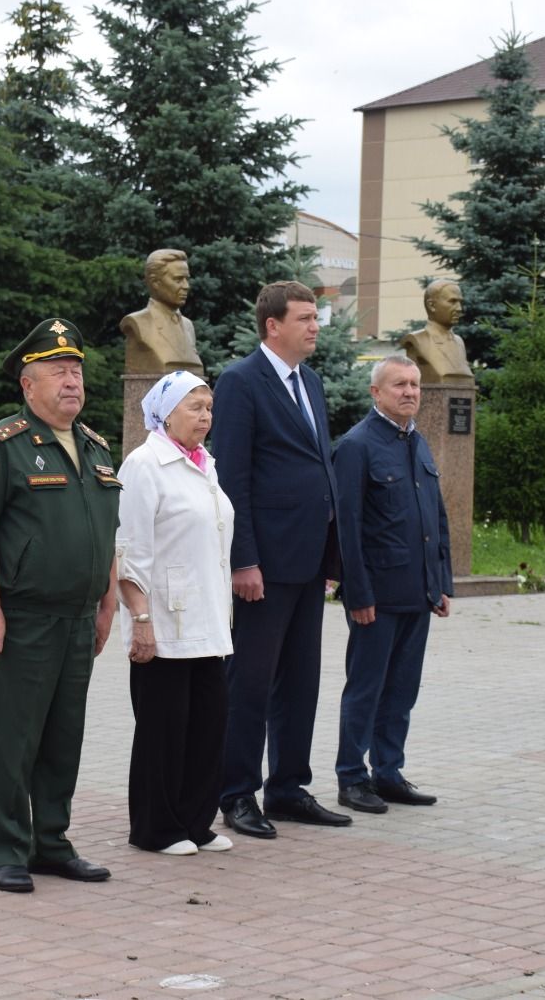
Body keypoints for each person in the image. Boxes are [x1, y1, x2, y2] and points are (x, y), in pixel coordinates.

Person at [0, 318, 122, 894]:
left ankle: (51, 841)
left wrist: (107, 603)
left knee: (62, 737)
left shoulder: (97, 447)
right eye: (58, 372)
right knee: (12, 738)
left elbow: (107, 530)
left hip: (79, 619)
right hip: (23, 619)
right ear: (28, 385)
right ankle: (6, 848)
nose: (72, 382)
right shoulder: (2, 444)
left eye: (76, 372)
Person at [210, 281, 350, 838]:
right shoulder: (242, 382)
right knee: (251, 681)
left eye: (317, 318)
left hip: (309, 558)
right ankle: (236, 792)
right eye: (306, 318)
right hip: (264, 563)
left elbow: (319, 468)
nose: (316, 327)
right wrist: (243, 559)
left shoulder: (309, 381)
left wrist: (334, 552)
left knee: (301, 680)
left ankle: (289, 787)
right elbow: (233, 477)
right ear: (273, 325)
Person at [117, 371, 235, 856]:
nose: (205, 416)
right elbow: (127, 551)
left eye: (208, 407)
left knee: (207, 726)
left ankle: (195, 821)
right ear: (165, 413)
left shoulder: (205, 464)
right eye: (194, 407)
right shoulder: (144, 465)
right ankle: (156, 828)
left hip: (208, 621)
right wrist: (141, 620)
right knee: (163, 730)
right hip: (164, 622)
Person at [332, 356, 452, 813]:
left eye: (415, 385)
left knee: (403, 688)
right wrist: (358, 593)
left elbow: (435, 518)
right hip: (376, 596)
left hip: (416, 590)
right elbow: (347, 527)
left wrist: (440, 582)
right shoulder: (357, 445)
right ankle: (351, 776)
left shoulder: (417, 442)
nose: (409, 392)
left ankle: (388, 771)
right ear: (375, 393)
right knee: (366, 687)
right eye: (399, 384)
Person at [120, 249, 205, 376]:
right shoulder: (137, 323)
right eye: (178, 280)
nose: (186, 286)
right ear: (155, 283)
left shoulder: (188, 325)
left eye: (186, 279)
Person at [400, 279, 474, 385]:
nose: (459, 308)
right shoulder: (417, 340)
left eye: (460, 302)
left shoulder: (459, 342)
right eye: (452, 301)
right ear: (432, 306)